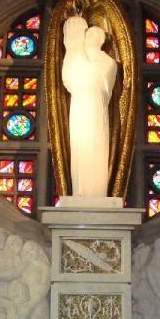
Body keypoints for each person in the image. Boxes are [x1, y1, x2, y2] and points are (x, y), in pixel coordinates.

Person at [61, 15, 117, 197]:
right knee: (80, 146)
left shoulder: (108, 62)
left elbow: (101, 84)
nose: (89, 38)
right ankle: (80, 190)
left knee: (96, 147)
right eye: (87, 34)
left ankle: (97, 192)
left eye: (93, 35)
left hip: (95, 105)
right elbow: (69, 78)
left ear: (101, 40)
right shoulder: (78, 56)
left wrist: (77, 54)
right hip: (80, 104)